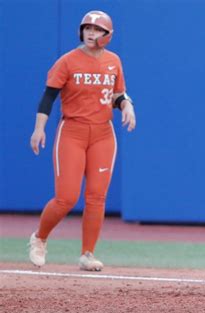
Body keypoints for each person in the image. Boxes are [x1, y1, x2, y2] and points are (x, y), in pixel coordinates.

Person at [28, 10, 136, 271]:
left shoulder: (113, 61)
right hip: (73, 131)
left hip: (102, 133)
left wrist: (127, 105)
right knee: (66, 197)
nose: (91, 33)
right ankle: (39, 238)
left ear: (108, 35)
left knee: (97, 197)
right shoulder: (68, 61)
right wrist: (38, 129)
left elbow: (116, 94)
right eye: (87, 28)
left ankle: (87, 254)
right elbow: (48, 97)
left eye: (97, 29)